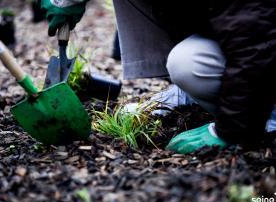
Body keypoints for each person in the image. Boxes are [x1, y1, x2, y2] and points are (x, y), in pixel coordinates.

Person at [40, 0, 276, 154]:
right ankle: (188, 91)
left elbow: (257, 45)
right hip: (249, 39)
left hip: (263, 47)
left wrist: (231, 129)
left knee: (186, 64)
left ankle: (270, 115)